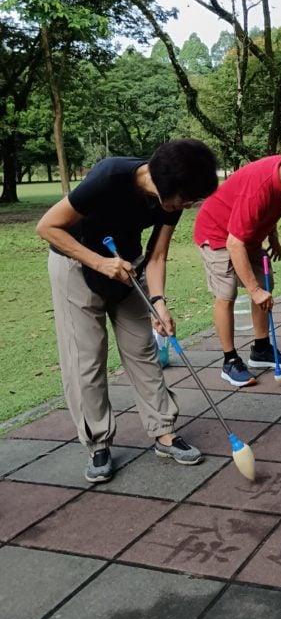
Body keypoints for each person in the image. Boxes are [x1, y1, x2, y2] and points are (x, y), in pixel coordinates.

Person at [36, 139, 219, 484]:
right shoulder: (109, 176)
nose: (191, 205)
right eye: (190, 199)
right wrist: (99, 263)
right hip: (75, 262)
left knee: (143, 350)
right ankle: (98, 443)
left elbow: (158, 255)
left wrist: (159, 302)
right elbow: (47, 227)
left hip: (128, 266)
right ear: (169, 188)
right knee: (87, 360)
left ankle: (163, 432)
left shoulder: (171, 200)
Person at [194, 155, 281, 386]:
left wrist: (272, 236)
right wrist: (253, 290)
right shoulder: (258, 189)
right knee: (227, 294)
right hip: (217, 233)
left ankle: (261, 349)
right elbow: (234, 243)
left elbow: (271, 207)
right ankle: (230, 361)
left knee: (265, 286)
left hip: (248, 235)